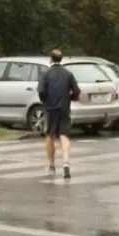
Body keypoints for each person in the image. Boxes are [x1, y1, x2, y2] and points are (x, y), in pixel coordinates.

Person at [37, 49, 80, 179]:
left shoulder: (46, 74)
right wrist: (70, 98)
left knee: (49, 135)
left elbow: (41, 92)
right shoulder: (68, 74)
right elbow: (77, 91)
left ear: (51, 58)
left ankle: (51, 166)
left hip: (50, 109)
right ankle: (66, 163)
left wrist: (46, 102)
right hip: (64, 108)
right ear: (61, 59)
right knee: (64, 135)